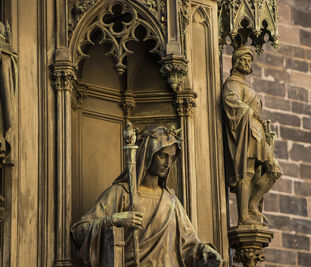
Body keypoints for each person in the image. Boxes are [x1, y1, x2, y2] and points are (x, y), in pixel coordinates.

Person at [72, 126, 223, 266]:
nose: (167, 163)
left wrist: (203, 249)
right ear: (148, 155)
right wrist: (113, 220)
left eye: (171, 157)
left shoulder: (171, 201)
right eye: (162, 156)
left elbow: (188, 247)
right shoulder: (121, 193)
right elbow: (79, 232)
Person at [223, 46, 282, 225]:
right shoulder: (232, 83)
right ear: (235, 62)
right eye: (243, 59)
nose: (247, 63)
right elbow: (231, 102)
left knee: (274, 170)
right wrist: (250, 113)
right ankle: (244, 216)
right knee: (246, 172)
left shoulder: (245, 85)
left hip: (257, 133)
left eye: (249, 60)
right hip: (246, 130)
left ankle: (252, 205)